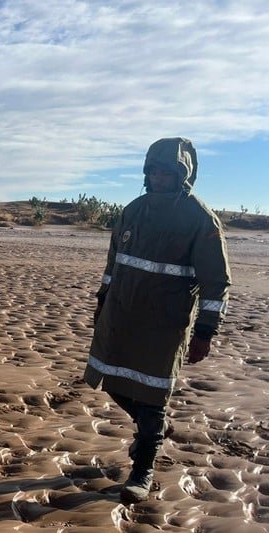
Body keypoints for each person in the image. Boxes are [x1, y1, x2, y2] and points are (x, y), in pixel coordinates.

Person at [84, 137, 231, 504]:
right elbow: (113, 265)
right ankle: (154, 429)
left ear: (183, 175)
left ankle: (143, 467)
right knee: (113, 381)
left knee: (152, 394)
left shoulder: (200, 219)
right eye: (153, 170)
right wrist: (103, 303)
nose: (159, 176)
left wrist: (205, 332)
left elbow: (217, 282)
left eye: (167, 171)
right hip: (121, 315)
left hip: (164, 325)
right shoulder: (133, 211)